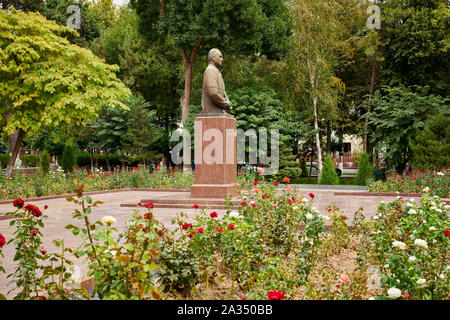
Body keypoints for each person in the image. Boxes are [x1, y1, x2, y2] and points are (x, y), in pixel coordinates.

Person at [201, 48, 232, 114]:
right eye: (220, 57)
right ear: (213, 58)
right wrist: (226, 104)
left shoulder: (216, 71)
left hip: (218, 111)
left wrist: (227, 101)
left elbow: (223, 91)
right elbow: (213, 93)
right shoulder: (210, 70)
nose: (222, 59)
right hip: (212, 112)